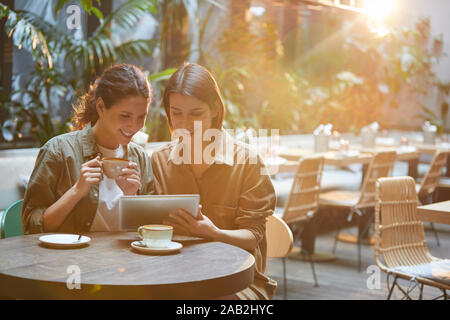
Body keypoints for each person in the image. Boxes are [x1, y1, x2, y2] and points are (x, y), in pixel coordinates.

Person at [151, 62, 277, 300]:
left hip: (237, 283)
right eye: (176, 113)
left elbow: (252, 236)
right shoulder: (158, 161)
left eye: (196, 114)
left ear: (215, 110)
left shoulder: (248, 162)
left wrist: (214, 233)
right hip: (173, 278)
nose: (185, 124)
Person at [22, 64, 154, 234]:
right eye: (125, 116)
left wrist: (131, 197)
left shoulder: (140, 158)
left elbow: (151, 230)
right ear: (101, 107)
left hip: (127, 259)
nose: (134, 126)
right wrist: (76, 191)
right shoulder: (58, 151)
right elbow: (31, 226)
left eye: (141, 117)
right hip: (69, 258)